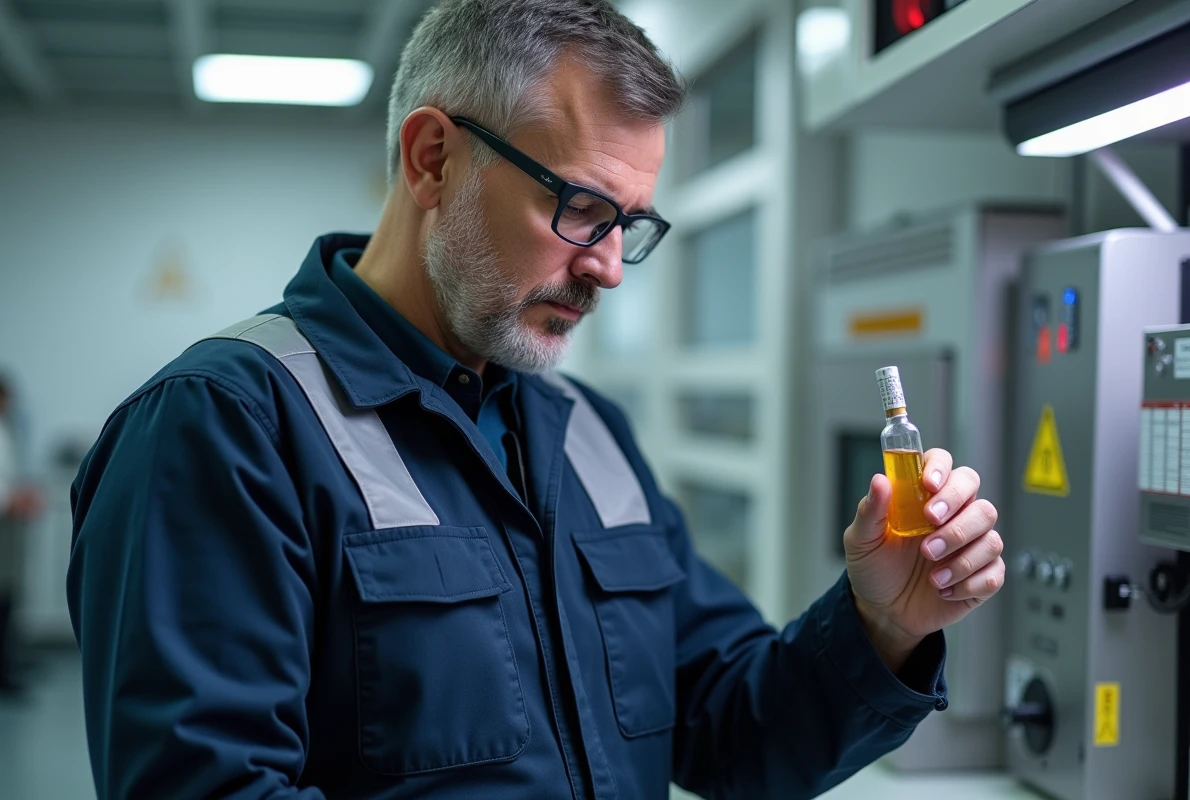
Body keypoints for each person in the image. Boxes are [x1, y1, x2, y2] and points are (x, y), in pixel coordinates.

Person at [67, 1, 1005, 798]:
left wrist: (885, 623)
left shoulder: (586, 435)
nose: (607, 267)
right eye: (582, 209)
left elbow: (733, 726)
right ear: (433, 158)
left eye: (629, 227)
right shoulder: (225, 428)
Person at [0, 375, 41, 696]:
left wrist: (22, 494)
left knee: (10, 595)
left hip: (10, 523)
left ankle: (10, 660)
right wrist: (10, 499)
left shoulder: (8, 428)